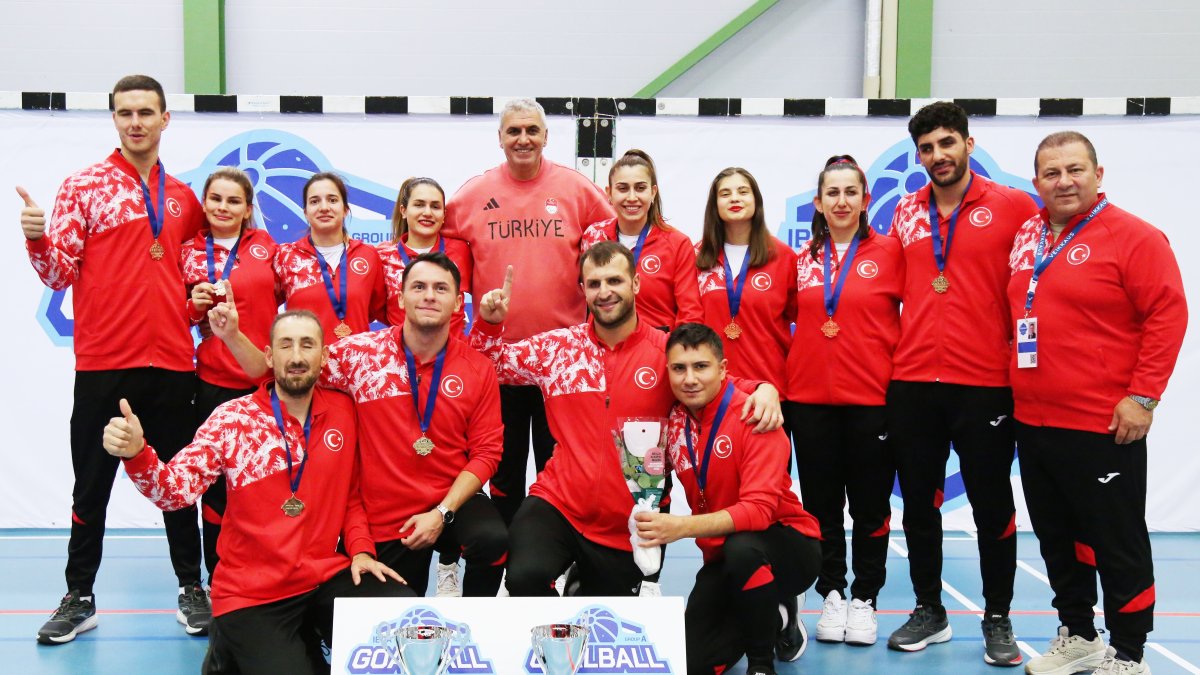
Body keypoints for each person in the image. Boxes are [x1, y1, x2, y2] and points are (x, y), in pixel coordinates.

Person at [102, 310, 413, 675]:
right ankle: (229, 647)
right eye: (286, 345)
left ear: (324, 357)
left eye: (307, 345)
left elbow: (352, 498)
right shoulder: (232, 420)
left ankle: (301, 638)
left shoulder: (344, 412)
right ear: (269, 357)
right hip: (251, 594)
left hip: (321, 577)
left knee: (402, 619)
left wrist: (361, 551)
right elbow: (175, 493)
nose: (296, 357)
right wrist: (138, 454)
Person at [471, 241, 785, 601]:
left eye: (615, 281)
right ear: (582, 290)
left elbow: (713, 384)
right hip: (558, 504)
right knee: (524, 578)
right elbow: (487, 364)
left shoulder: (665, 352)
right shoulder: (557, 350)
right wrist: (490, 324)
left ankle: (584, 582)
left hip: (632, 520)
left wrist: (764, 388)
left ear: (635, 284)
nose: (605, 293)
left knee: (610, 615)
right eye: (594, 284)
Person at [19, 74, 210, 644]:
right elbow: (59, 273)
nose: (136, 122)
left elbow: (192, 282)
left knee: (178, 482)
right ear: (113, 119)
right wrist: (35, 239)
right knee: (92, 486)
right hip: (104, 365)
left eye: (146, 112)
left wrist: (199, 304)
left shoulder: (183, 197)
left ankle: (190, 587)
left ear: (165, 119)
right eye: (125, 112)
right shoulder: (84, 187)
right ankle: (79, 595)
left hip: (175, 364)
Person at [208, 253, 508, 598]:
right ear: (400, 297)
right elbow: (275, 369)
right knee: (397, 615)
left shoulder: (477, 368)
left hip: (451, 500)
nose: (429, 295)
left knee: (493, 541)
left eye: (441, 289)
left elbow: (487, 453)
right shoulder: (360, 355)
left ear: (457, 303)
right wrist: (231, 335)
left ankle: (471, 630)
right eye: (419, 287)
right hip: (386, 514)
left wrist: (442, 512)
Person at [1011, 132, 1187, 675]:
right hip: (1034, 420)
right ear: (1036, 181)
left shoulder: (1134, 236)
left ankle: (1130, 652)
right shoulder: (1029, 234)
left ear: (1098, 173)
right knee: (1057, 538)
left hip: (1103, 423)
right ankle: (1080, 634)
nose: (1064, 181)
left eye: (1075, 170)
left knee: (1117, 541)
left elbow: (1168, 314)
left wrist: (1142, 397)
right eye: (1051, 173)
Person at [884, 101, 1037, 665]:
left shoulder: (1016, 207)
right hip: (914, 381)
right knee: (919, 506)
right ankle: (930, 608)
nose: (938, 156)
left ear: (969, 145)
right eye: (927, 148)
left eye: (947, 143)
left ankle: (998, 617)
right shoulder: (904, 212)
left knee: (992, 505)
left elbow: (1038, 287)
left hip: (985, 382)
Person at [443, 98, 616, 527]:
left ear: (546, 136)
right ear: (500, 138)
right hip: (497, 363)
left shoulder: (579, 191)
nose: (523, 139)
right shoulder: (471, 195)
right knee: (501, 470)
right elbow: (438, 255)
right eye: (514, 131)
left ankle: (553, 564)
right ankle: (506, 562)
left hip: (562, 364)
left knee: (559, 468)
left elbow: (612, 250)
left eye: (531, 130)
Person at [636, 323, 821, 675]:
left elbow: (757, 513)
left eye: (701, 367)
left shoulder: (757, 415)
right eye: (679, 368)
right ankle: (779, 617)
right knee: (694, 662)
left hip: (788, 545)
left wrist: (680, 527)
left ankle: (762, 663)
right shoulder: (673, 420)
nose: (689, 379)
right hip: (723, 556)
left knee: (744, 548)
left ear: (722, 370)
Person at [783, 155, 904, 646]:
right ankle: (832, 591)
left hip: (872, 400)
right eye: (832, 193)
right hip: (808, 401)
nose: (841, 201)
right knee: (822, 507)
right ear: (818, 202)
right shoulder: (802, 260)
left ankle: (865, 599)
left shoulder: (893, 252)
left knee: (871, 508)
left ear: (865, 199)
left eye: (850, 192)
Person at [183, 166, 280, 579]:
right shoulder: (187, 250)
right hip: (210, 387)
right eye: (216, 199)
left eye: (233, 200)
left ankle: (269, 574)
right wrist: (193, 307)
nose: (223, 207)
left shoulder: (269, 247)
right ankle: (219, 577)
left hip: (262, 386)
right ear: (204, 204)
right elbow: (170, 316)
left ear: (247, 209)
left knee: (267, 484)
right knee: (217, 491)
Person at [695, 167, 797, 393]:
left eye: (743, 191)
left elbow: (805, 322)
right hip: (710, 390)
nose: (734, 198)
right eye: (725, 194)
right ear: (715, 205)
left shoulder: (783, 256)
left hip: (769, 389)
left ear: (756, 200)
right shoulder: (697, 257)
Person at [580, 149, 702, 331]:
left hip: (656, 352)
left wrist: (676, 354)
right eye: (622, 188)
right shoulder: (594, 236)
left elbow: (690, 315)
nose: (631, 197)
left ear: (653, 193)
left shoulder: (677, 243)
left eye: (640, 188)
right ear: (609, 193)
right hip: (603, 348)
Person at [274, 172, 386, 342]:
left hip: (356, 363)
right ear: (305, 212)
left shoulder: (368, 255)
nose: (324, 207)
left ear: (345, 210)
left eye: (332, 200)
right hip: (305, 364)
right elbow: (264, 307)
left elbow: (374, 311)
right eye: (314, 201)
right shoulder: (286, 256)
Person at [377, 176, 472, 335]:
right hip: (404, 357)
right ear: (404, 211)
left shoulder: (461, 250)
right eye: (419, 205)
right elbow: (377, 309)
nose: (427, 212)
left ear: (443, 215)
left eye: (435, 206)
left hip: (453, 356)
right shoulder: (382, 257)